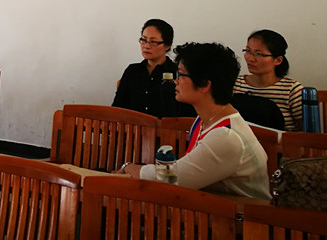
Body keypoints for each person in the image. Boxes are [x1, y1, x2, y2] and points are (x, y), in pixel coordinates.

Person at [120, 42, 270, 200]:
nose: (176, 81)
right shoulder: (206, 119)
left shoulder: (226, 136)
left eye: (181, 75)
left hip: (245, 213)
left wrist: (128, 167)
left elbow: (171, 179)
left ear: (204, 85)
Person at [112, 19, 193, 118]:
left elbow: (186, 114)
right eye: (143, 40)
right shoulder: (132, 71)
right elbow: (117, 108)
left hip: (165, 127)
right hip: (134, 127)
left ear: (167, 45)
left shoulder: (177, 73)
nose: (146, 46)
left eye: (153, 42)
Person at [232, 29, 303, 131]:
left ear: (278, 60)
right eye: (248, 51)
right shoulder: (235, 84)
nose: (250, 59)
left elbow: (307, 132)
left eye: (259, 54)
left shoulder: (292, 90)